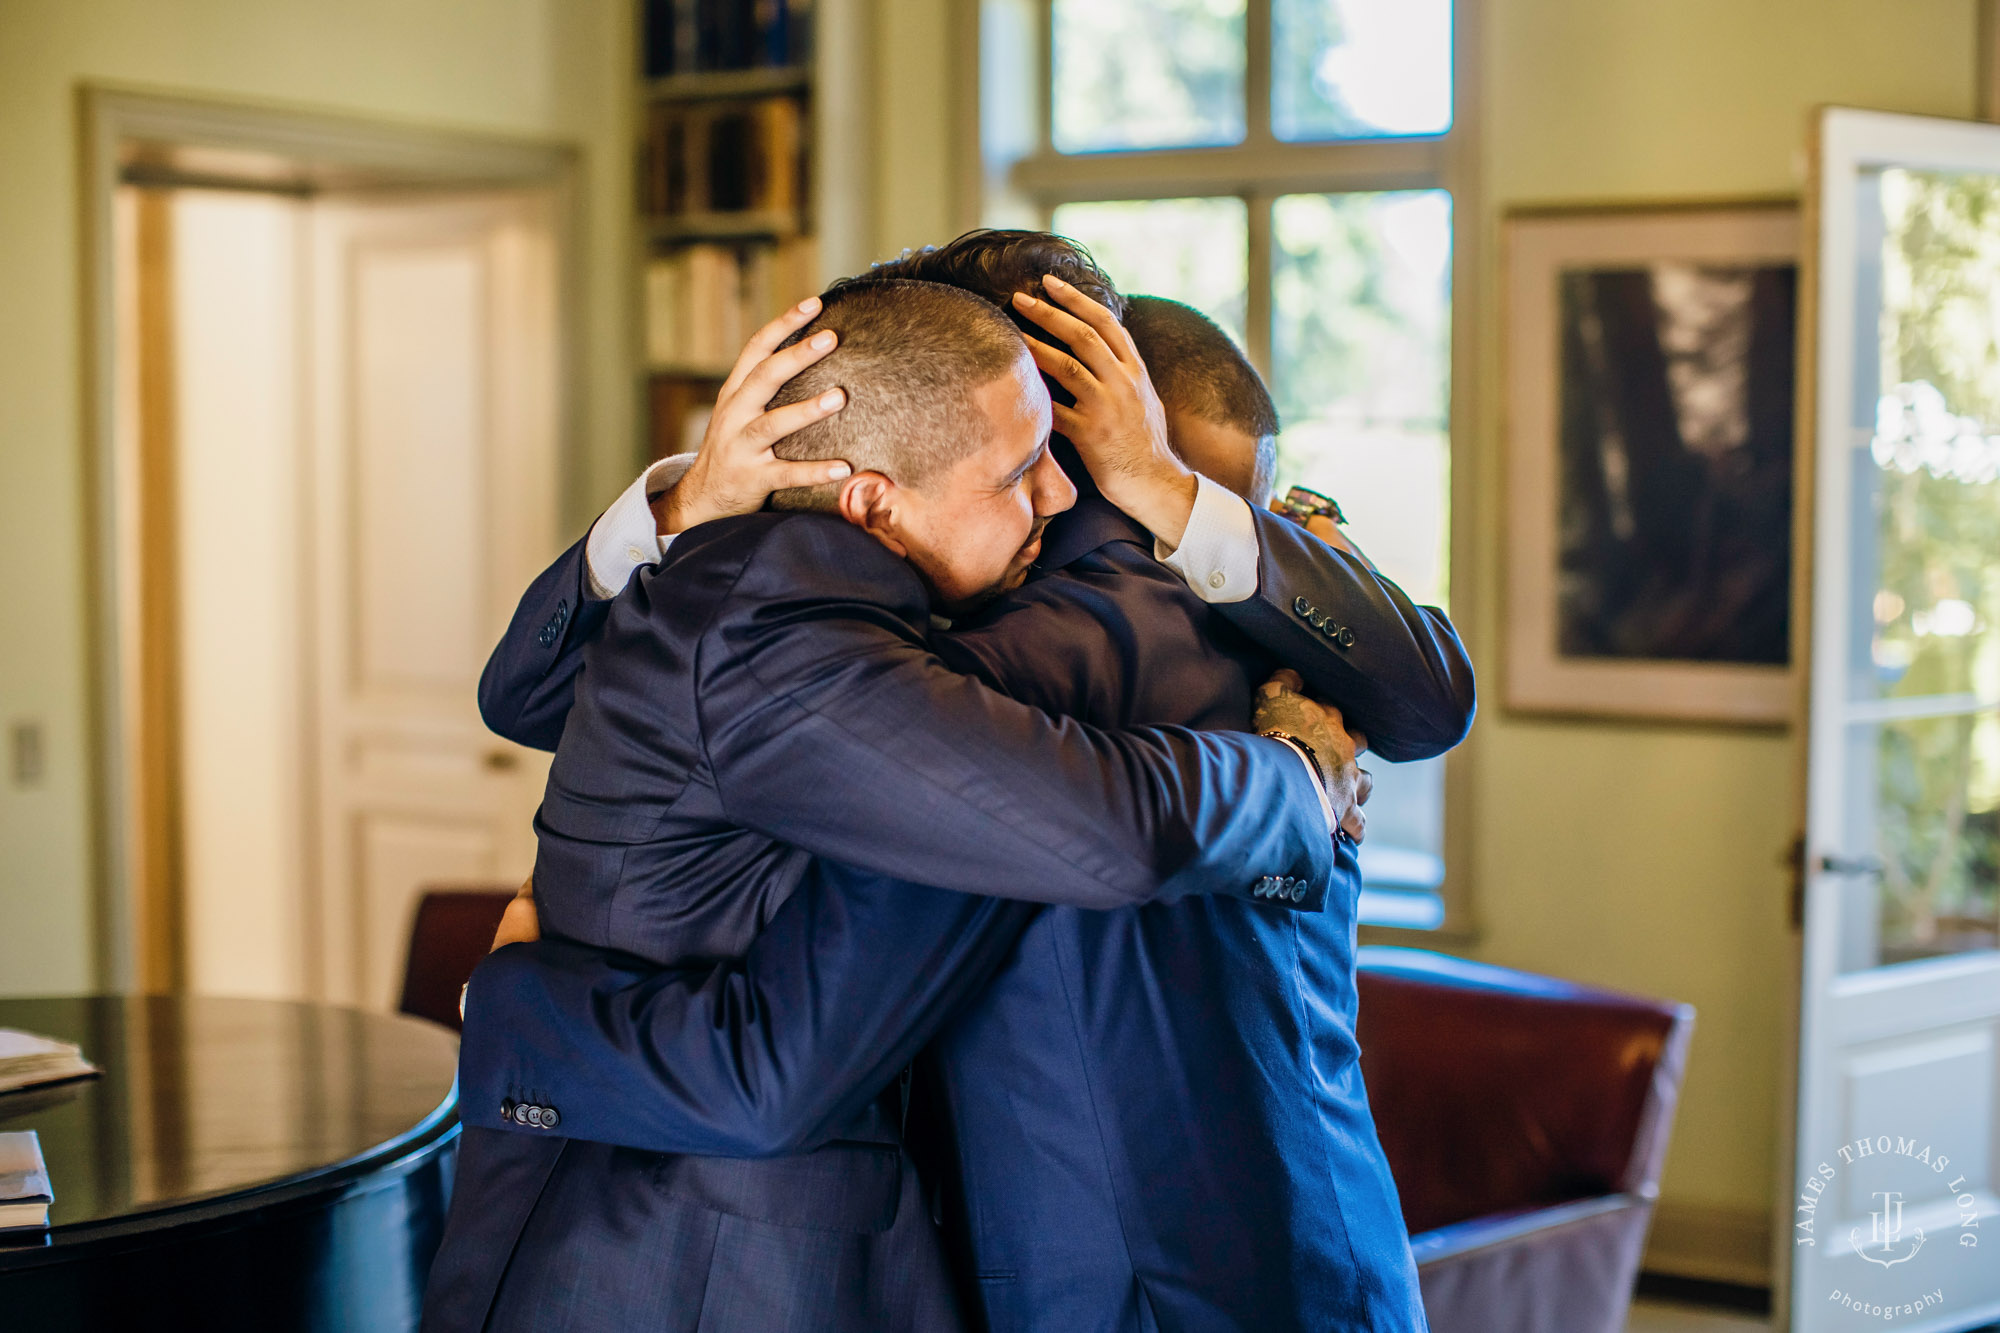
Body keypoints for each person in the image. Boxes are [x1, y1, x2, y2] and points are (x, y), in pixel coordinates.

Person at [437, 234, 1474, 1331]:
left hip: (1140, 1275)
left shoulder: (1066, 629)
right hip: (1271, 1240)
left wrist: (518, 1012)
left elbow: (627, 712)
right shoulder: (962, 610)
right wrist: (680, 506)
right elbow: (543, 699)